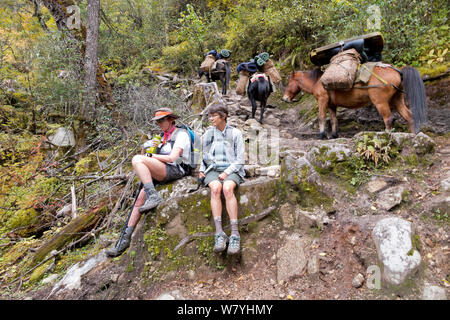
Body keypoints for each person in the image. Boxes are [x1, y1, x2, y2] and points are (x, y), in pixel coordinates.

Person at [106, 107, 191, 257]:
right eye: (157, 121)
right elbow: (146, 153)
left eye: (161, 120)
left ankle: (153, 195)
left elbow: (172, 158)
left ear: (171, 119)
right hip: (162, 170)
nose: (159, 123)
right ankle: (124, 240)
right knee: (139, 201)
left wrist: (150, 157)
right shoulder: (161, 136)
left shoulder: (181, 134)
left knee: (137, 160)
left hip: (177, 169)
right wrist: (149, 151)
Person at [200, 104, 245, 255]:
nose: (210, 119)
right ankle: (219, 233)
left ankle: (234, 234)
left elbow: (240, 160)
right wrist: (201, 169)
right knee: (215, 188)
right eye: (209, 116)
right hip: (213, 170)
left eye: (213, 115)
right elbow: (204, 155)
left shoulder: (236, 133)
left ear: (223, 116)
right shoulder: (208, 134)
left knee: (227, 188)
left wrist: (226, 172)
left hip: (232, 169)